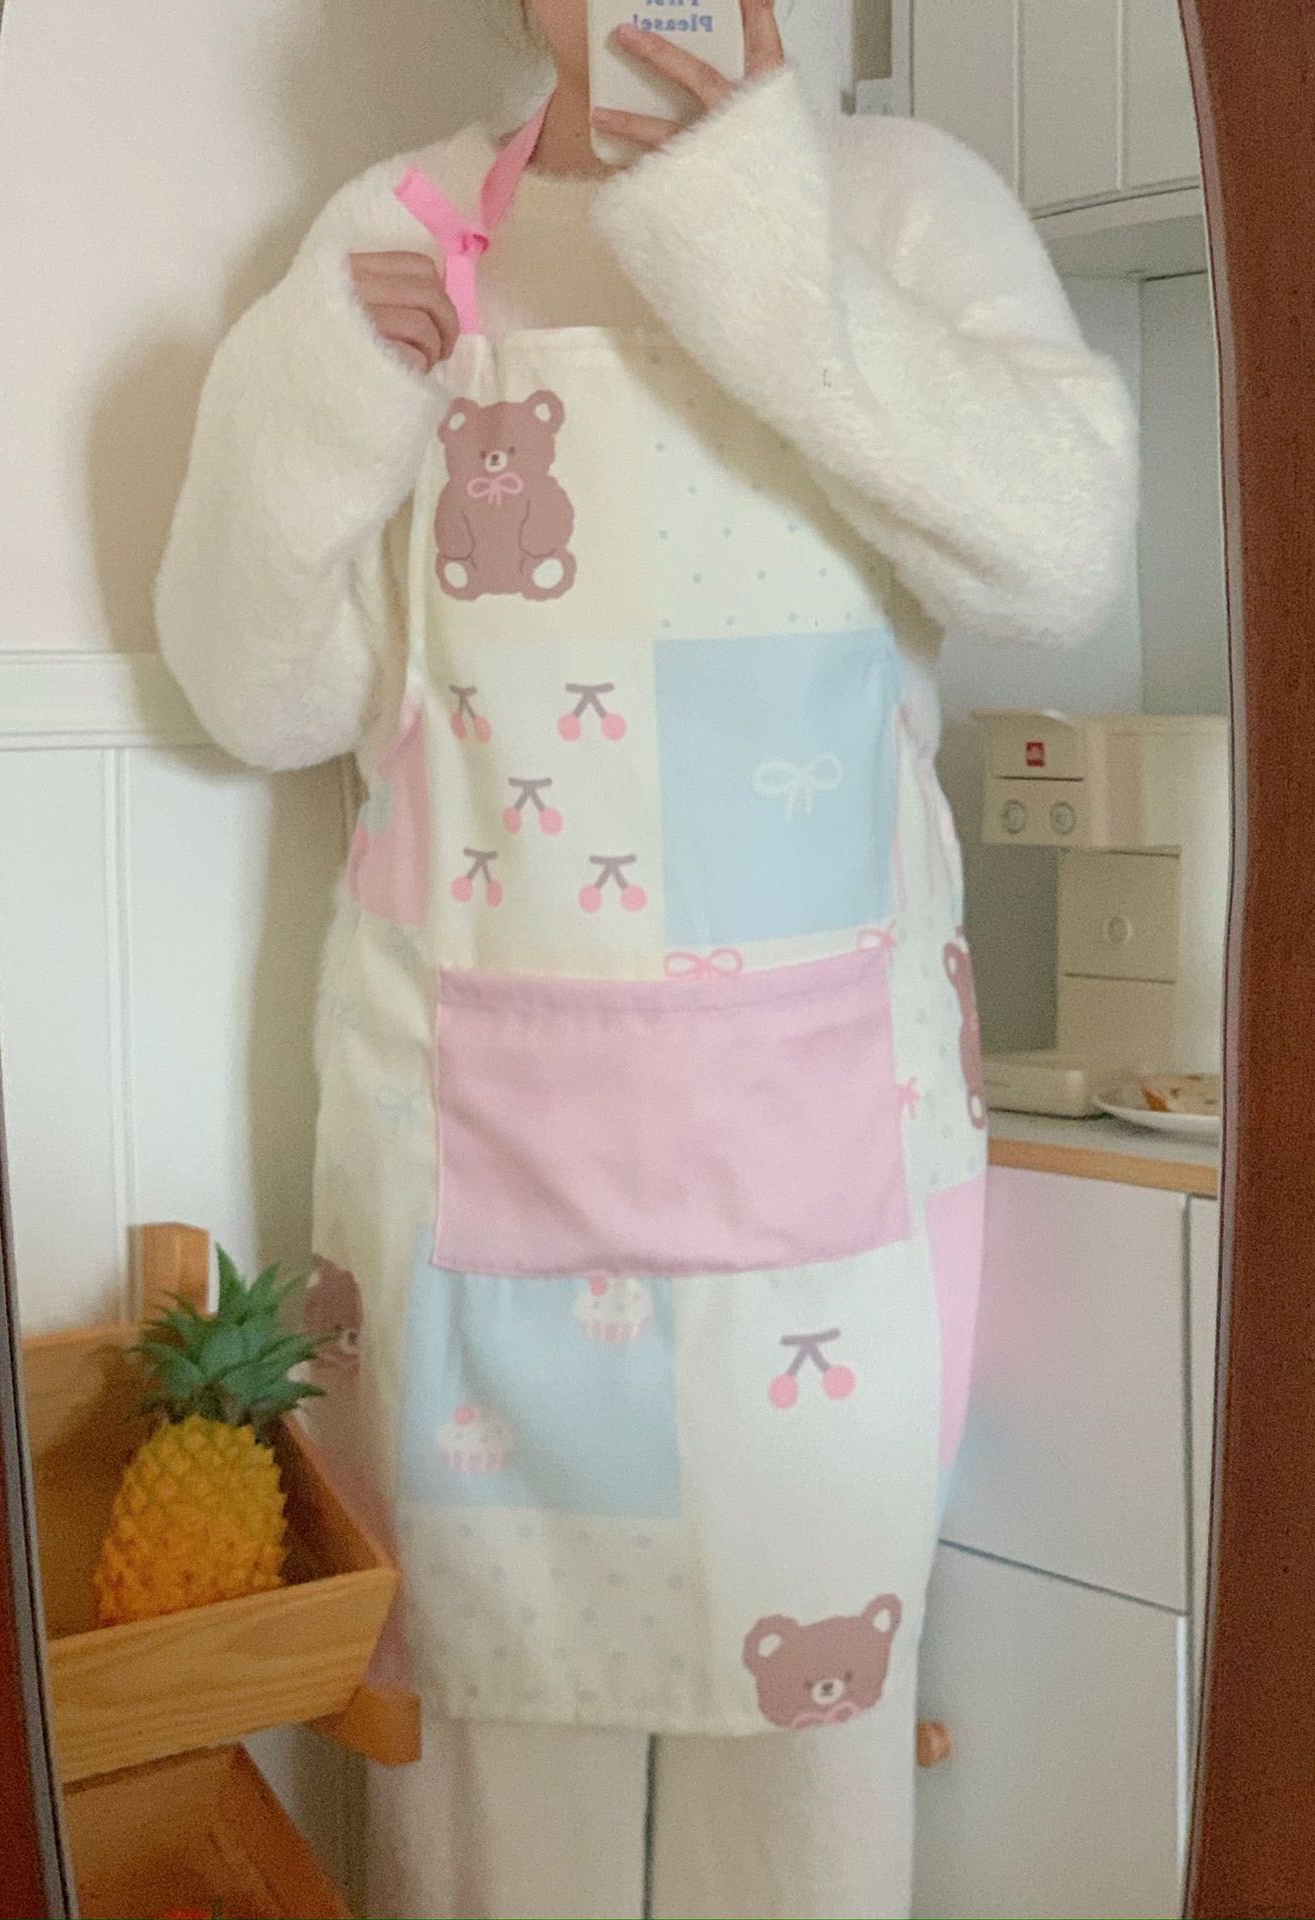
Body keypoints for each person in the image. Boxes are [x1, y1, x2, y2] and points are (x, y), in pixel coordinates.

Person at [156, 2, 1137, 1914]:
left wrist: (748, 224)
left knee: (809, 1799)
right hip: (473, 1186)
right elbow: (259, 694)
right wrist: (321, 393)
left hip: (820, 1194)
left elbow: (1059, 556)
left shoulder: (905, 204)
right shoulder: (412, 225)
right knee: (489, 1808)